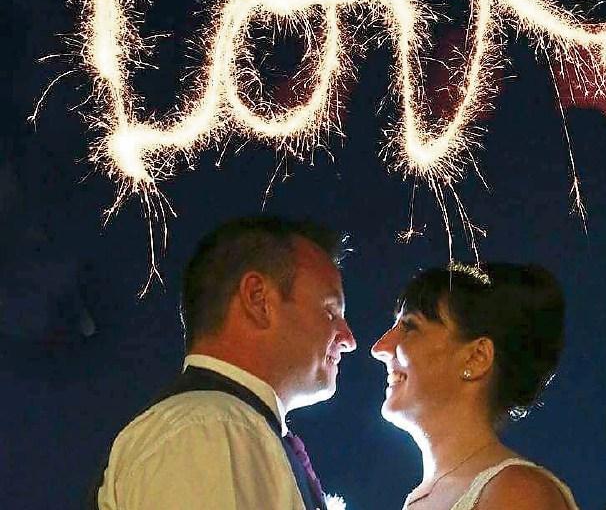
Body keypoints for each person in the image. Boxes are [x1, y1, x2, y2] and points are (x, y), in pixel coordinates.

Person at [92, 216, 357, 510]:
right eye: (331, 312)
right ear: (258, 300)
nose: (348, 339)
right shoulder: (212, 430)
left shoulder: (216, 428)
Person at [371, 263, 579, 510]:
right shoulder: (418, 501)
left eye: (410, 327)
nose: (380, 348)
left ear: (477, 357)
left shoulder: (518, 494)